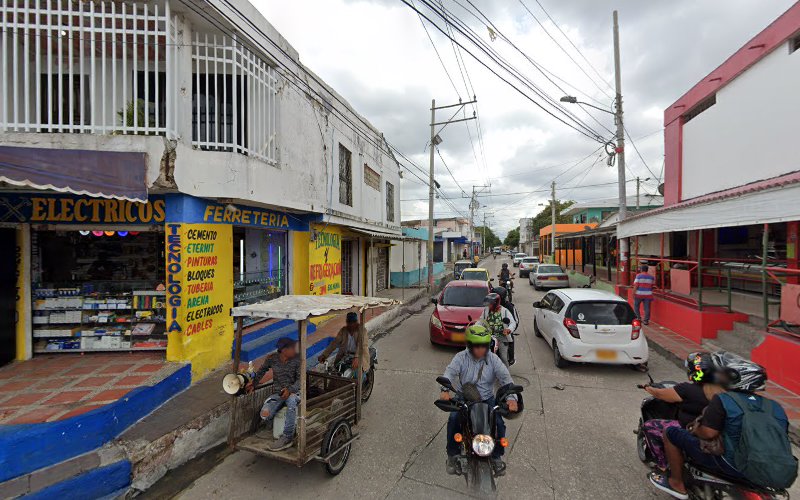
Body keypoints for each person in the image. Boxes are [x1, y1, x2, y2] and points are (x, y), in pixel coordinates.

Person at [649, 354, 793, 499]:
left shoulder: (724, 399)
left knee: (671, 433)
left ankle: (676, 483)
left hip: (733, 463)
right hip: (776, 468)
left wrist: (695, 429)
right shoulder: (775, 407)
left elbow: (708, 433)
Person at [441, 324, 519, 476]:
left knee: (499, 424)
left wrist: (511, 398)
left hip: (486, 398)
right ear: (469, 345)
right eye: (476, 346)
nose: (480, 349)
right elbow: (449, 373)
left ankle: (496, 456)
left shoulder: (494, 359)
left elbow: (506, 378)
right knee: (453, 419)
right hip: (464, 396)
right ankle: (452, 455)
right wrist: (444, 390)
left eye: (483, 346)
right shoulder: (460, 358)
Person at [641, 352, 725, 471]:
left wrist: (648, 388)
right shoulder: (722, 391)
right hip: (714, 431)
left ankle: (662, 465)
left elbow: (660, 394)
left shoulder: (687, 389)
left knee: (649, 426)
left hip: (689, 428)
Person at [247, 337, 302, 451]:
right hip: (278, 394)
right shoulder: (272, 359)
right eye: (292, 348)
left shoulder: (297, 360)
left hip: (295, 393)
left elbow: (300, 380)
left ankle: (287, 437)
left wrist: (290, 390)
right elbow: (262, 370)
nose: (295, 350)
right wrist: (253, 384)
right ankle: (271, 423)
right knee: (265, 414)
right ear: (283, 350)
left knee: (291, 402)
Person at [478, 293, 517, 367]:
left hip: (502, 337)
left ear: (496, 303)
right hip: (488, 336)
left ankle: (505, 374)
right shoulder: (486, 310)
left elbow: (513, 323)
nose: (488, 305)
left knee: (503, 357)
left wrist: (509, 329)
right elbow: (481, 321)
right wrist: (475, 327)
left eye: (490, 304)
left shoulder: (505, 311)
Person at [493, 286, 519, 366]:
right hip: (492, 331)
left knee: (510, 339)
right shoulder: (490, 306)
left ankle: (511, 358)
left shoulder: (509, 307)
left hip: (504, 332)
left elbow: (515, 321)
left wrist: (509, 330)